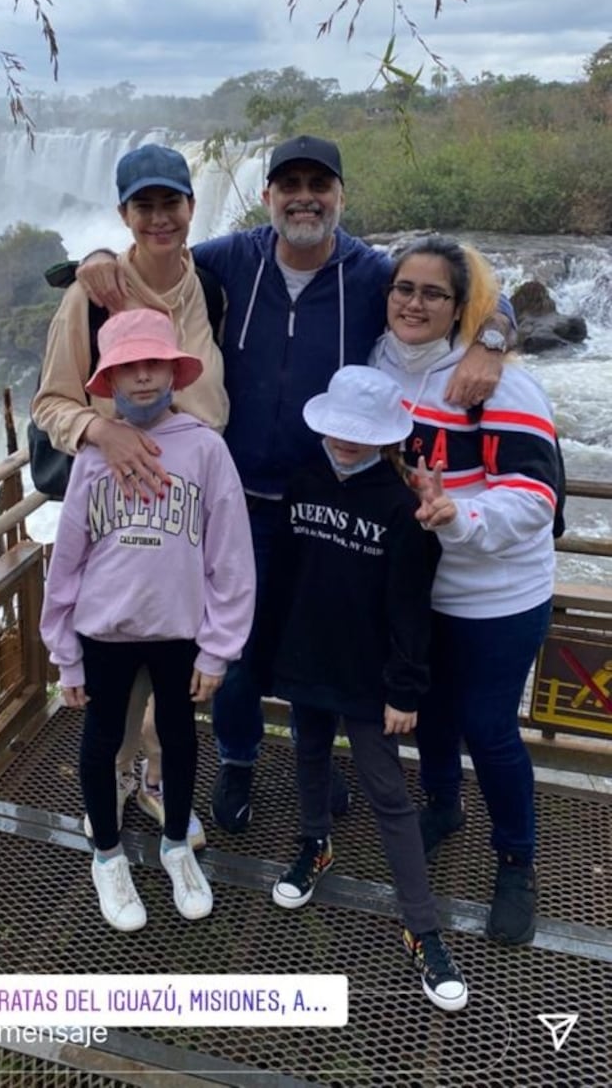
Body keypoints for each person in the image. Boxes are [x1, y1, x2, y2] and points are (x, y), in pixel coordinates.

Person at [77, 135, 514, 834]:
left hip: (329, 495)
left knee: (334, 633)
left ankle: (319, 758)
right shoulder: (231, 257)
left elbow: (472, 295)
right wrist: (95, 259)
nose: (304, 197)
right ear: (268, 196)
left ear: (340, 196)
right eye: (290, 185)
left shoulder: (373, 272)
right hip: (235, 496)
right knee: (238, 643)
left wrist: (493, 342)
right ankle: (239, 760)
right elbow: (143, 264)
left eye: (319, 184)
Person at [33, 142, 229, 848]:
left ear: (190, 207)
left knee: (177, 676)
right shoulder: (90, 293)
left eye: (169, 203)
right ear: (123, 213)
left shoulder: (210, 282)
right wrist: (99, 432)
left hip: (193, 508)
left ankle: (152, 780)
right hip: (117, 511)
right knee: (117, 683)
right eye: (142, 206)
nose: (158, 218)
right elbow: (51, 403)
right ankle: (114, 787)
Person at [257, 364, 467, 1013]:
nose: (346, 442)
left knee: (387, 795)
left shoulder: (403, 509)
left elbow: (411, 609)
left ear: (384, 436)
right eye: (338, 429)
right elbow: (284, 579)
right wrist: (267, 658)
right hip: (306, 659)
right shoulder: (302, 482)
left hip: (371, 679)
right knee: (309, 755)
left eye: (361, 433)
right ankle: (313, 844)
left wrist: (404, 691)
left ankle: (422, 927)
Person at [39, 308, 255, 931]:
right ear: (108, 379)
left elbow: (231, 558)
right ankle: (107, 855)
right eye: (127, 367)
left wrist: (218, 648)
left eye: (153, 364)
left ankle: (175, 848)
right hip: (104, 631)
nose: (141, 378)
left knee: (180, 738)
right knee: (103, 740)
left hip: (179, 631)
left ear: (173, 371)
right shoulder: (91, 457)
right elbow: (69, 559)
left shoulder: (207, 451)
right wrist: (64, 651)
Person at [372, 234, 560, 945]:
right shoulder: (376, 365)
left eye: (432, 292)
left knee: (488, 727)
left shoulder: (496, 381)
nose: (413, 302)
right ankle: (444, 805)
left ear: (460, 307)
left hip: (495, 594)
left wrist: (462, 514)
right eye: (403, 288)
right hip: (418, 589)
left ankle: (516, 862)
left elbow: (536, 495)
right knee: (433, 714)